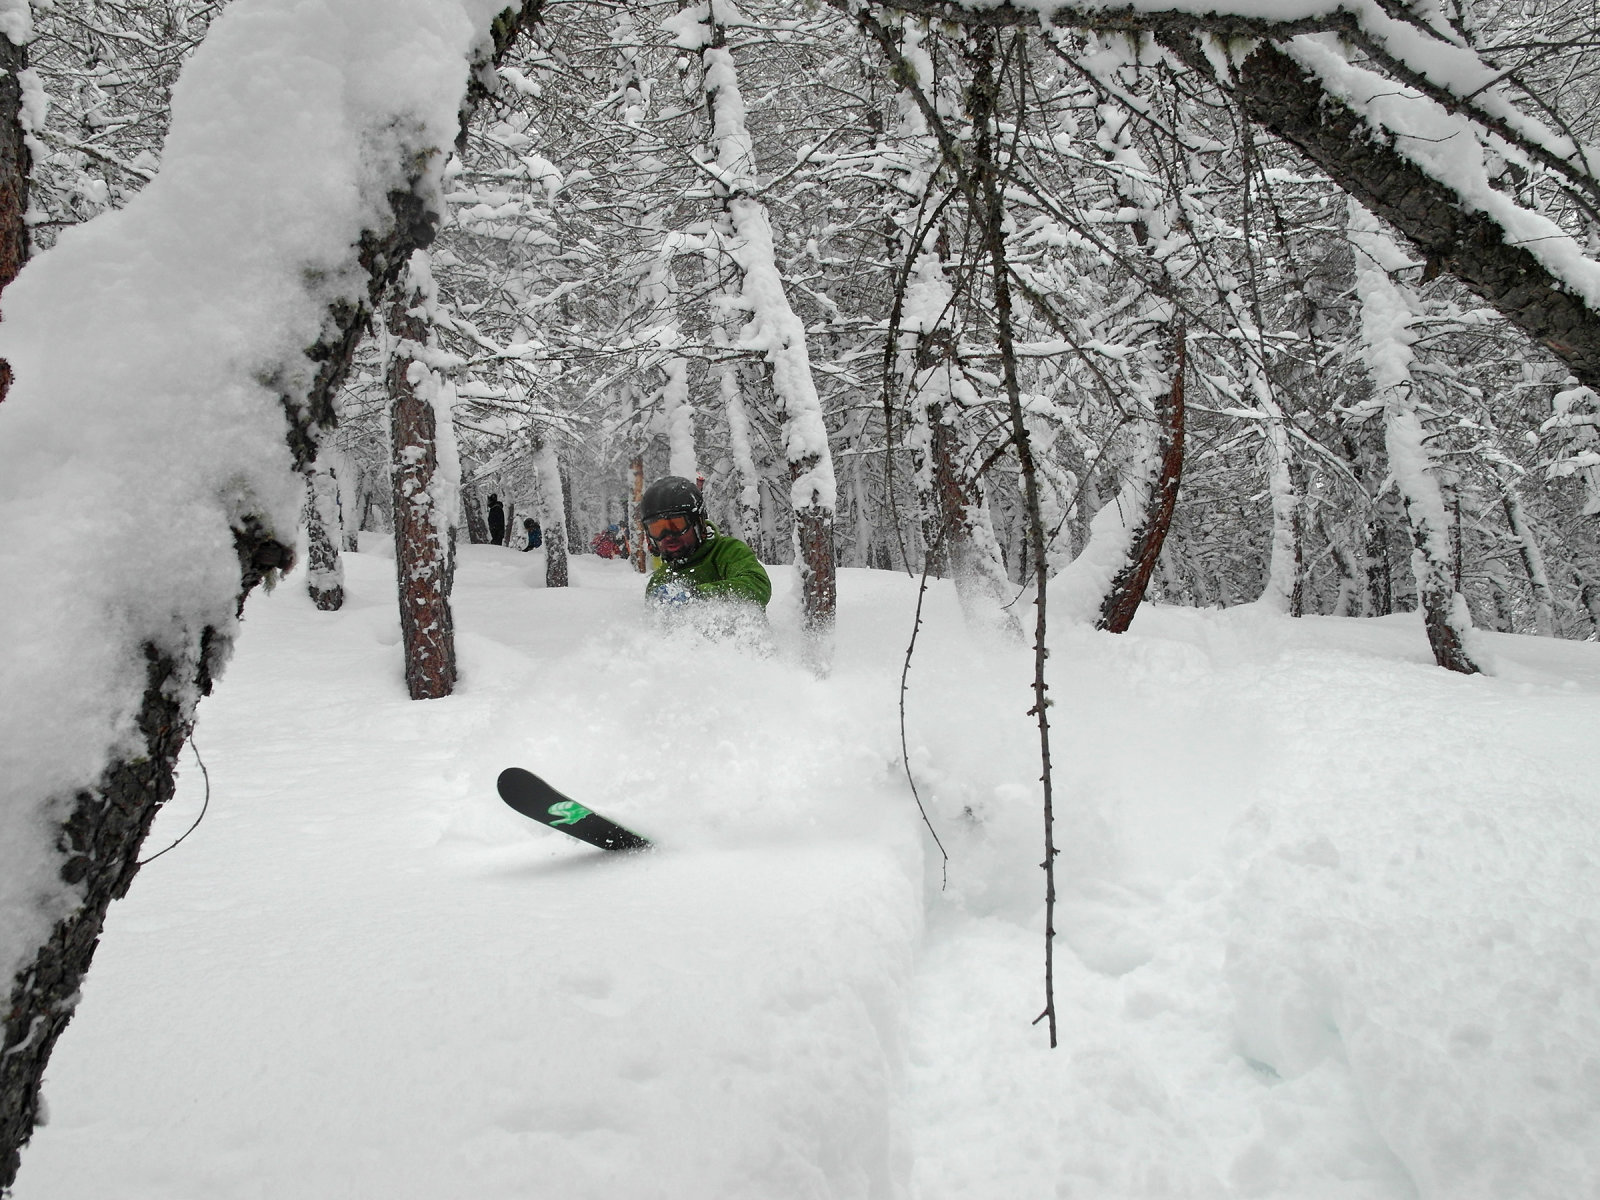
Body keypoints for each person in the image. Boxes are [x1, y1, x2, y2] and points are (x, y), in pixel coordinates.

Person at [641, 475, 770, 609]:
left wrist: (697, 596)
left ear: (698, 523)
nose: (668, 536)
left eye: (677, 526)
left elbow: (757, 586)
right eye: (657, 530)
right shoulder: (661, 579)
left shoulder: (727, 552)